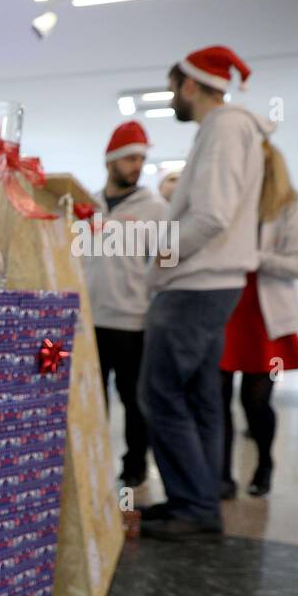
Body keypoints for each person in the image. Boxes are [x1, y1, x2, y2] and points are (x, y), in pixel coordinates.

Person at [138, 45, 266, 541]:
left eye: (173, 88)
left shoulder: (224, 127)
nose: (173, 98)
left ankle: (193, 506)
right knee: (199, 399)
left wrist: (160, 263)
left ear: (191, 84)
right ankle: (196, 499)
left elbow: (209, 217)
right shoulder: (230, 130)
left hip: (194, 287)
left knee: (159, 394)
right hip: (213, 285)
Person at [219, 142, 298, 498]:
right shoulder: (231, 205)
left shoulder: (293, 209)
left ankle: (264, 464)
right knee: (217, 398)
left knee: (255, 401)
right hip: (228, 313)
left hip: (267, 323)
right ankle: (221, 476)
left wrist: (255, 257)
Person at [82, 121, 169, 488]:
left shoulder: (157, 208)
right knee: (92, 398)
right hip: (90, 320)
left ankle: (134, 467)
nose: (137, 165)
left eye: (141, 159)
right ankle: (93, 461)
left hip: (133, 321)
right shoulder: (87, 205)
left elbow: (168, 261)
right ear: (110, 160)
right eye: (130, 158)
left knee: (135, 401)